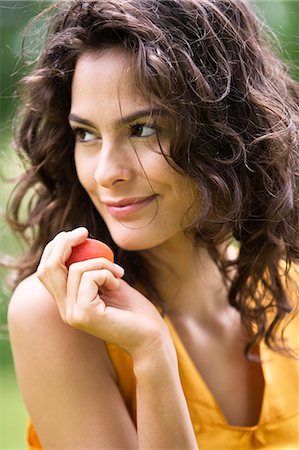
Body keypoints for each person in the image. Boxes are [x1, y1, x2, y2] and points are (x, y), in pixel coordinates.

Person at [6, 0, 299, 448]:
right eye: (86, 134)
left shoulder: (290, 286)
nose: (106, 172)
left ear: (220, 131)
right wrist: (151, 355)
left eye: (142, 129)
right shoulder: (59, 315)